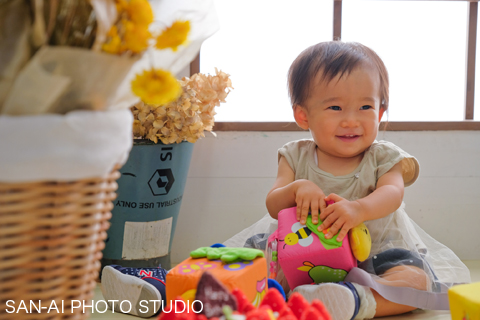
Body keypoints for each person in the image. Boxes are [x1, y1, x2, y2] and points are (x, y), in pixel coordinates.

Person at [224, 41, 471, 320]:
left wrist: (360, 209)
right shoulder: (295, 155)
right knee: (247, 263)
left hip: (376, 256)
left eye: (365, 106)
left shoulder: (383, 157)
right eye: (336, 108)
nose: (351, 120)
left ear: (379, 113)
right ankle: (206, 289)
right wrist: (297, 189)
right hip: (300, 254)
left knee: (415, 281)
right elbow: (273, 203)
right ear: (303, 115)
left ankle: (356, 300)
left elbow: (393, 192)